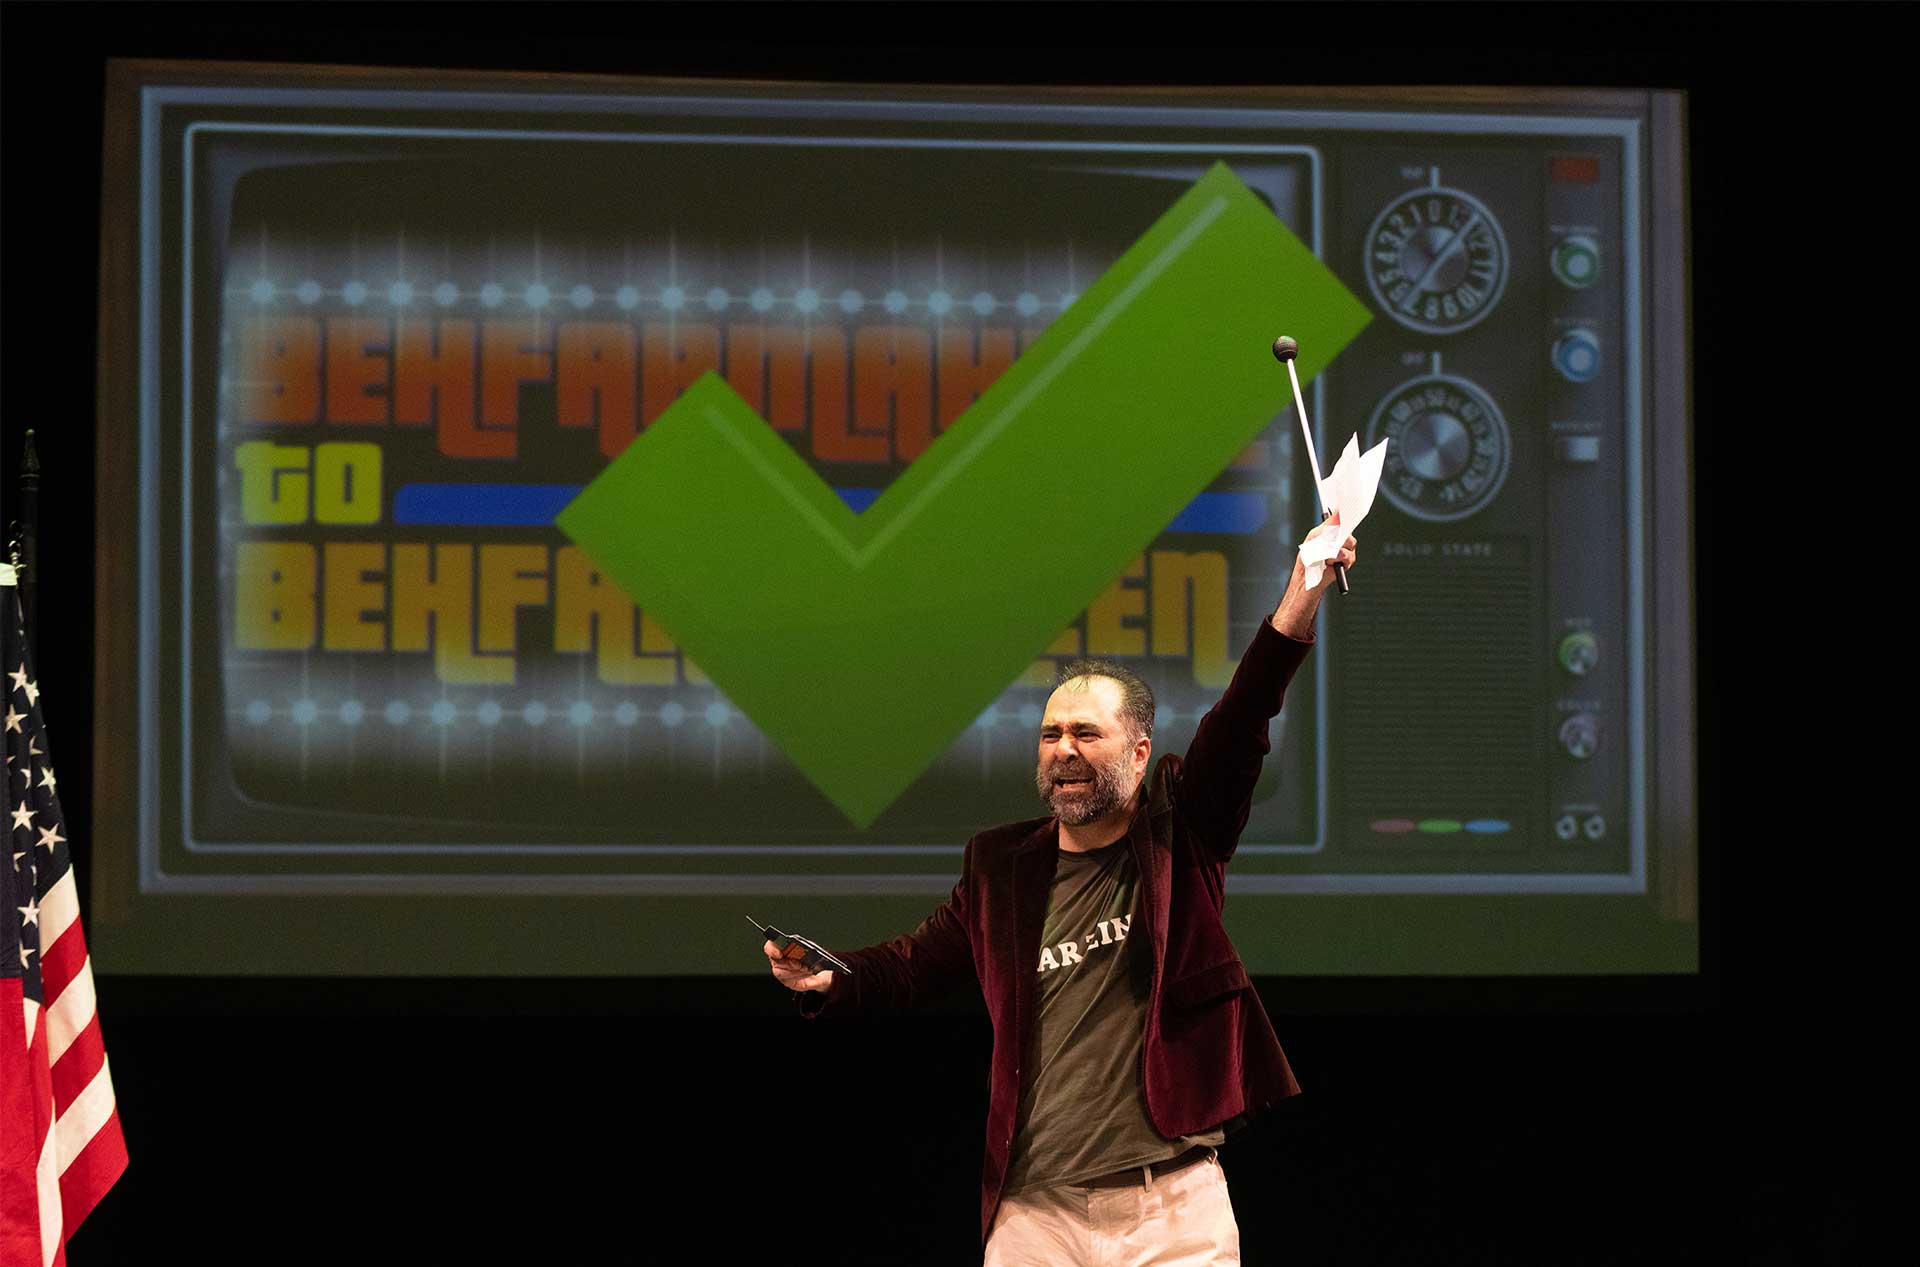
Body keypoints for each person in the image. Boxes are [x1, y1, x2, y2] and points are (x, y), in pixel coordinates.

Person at [765, 518, 1358, 1265]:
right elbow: (913, 963)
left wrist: (1303, 589)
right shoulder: (1000, 867)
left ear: (1140, 754)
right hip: (1035, 1212)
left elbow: (1244, 717)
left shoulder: (1183, 831)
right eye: (1050, 735)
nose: (1064, 750)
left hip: (1171, 1204)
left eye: (1086, 732)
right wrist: (831, 974)